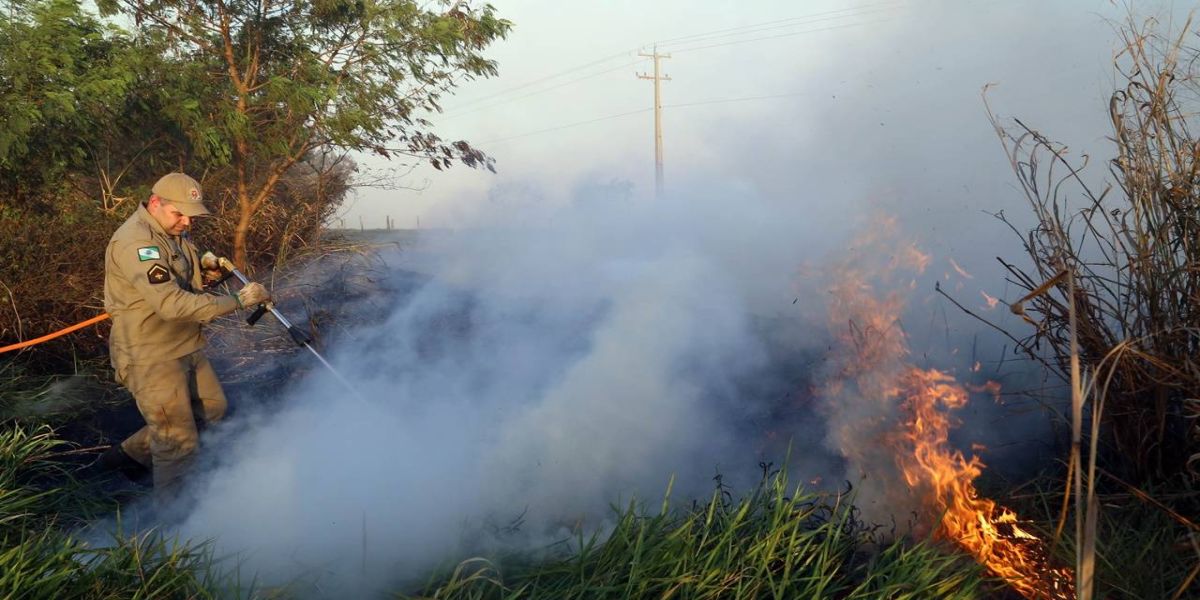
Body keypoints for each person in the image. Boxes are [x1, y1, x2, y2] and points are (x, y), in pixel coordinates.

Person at [97, 172, 270, 498]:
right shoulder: (136, 242)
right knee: (178, 441)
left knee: (212, 408)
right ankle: (173, 520)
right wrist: (238, 300)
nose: (187, 221)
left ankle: (128, 456)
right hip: (150, 354)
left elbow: (175, 273)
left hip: (185, 344)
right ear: (155, 202)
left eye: (191, 215)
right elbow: (171, 304)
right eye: (179, 213)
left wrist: (203, 268)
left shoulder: (171, 231)